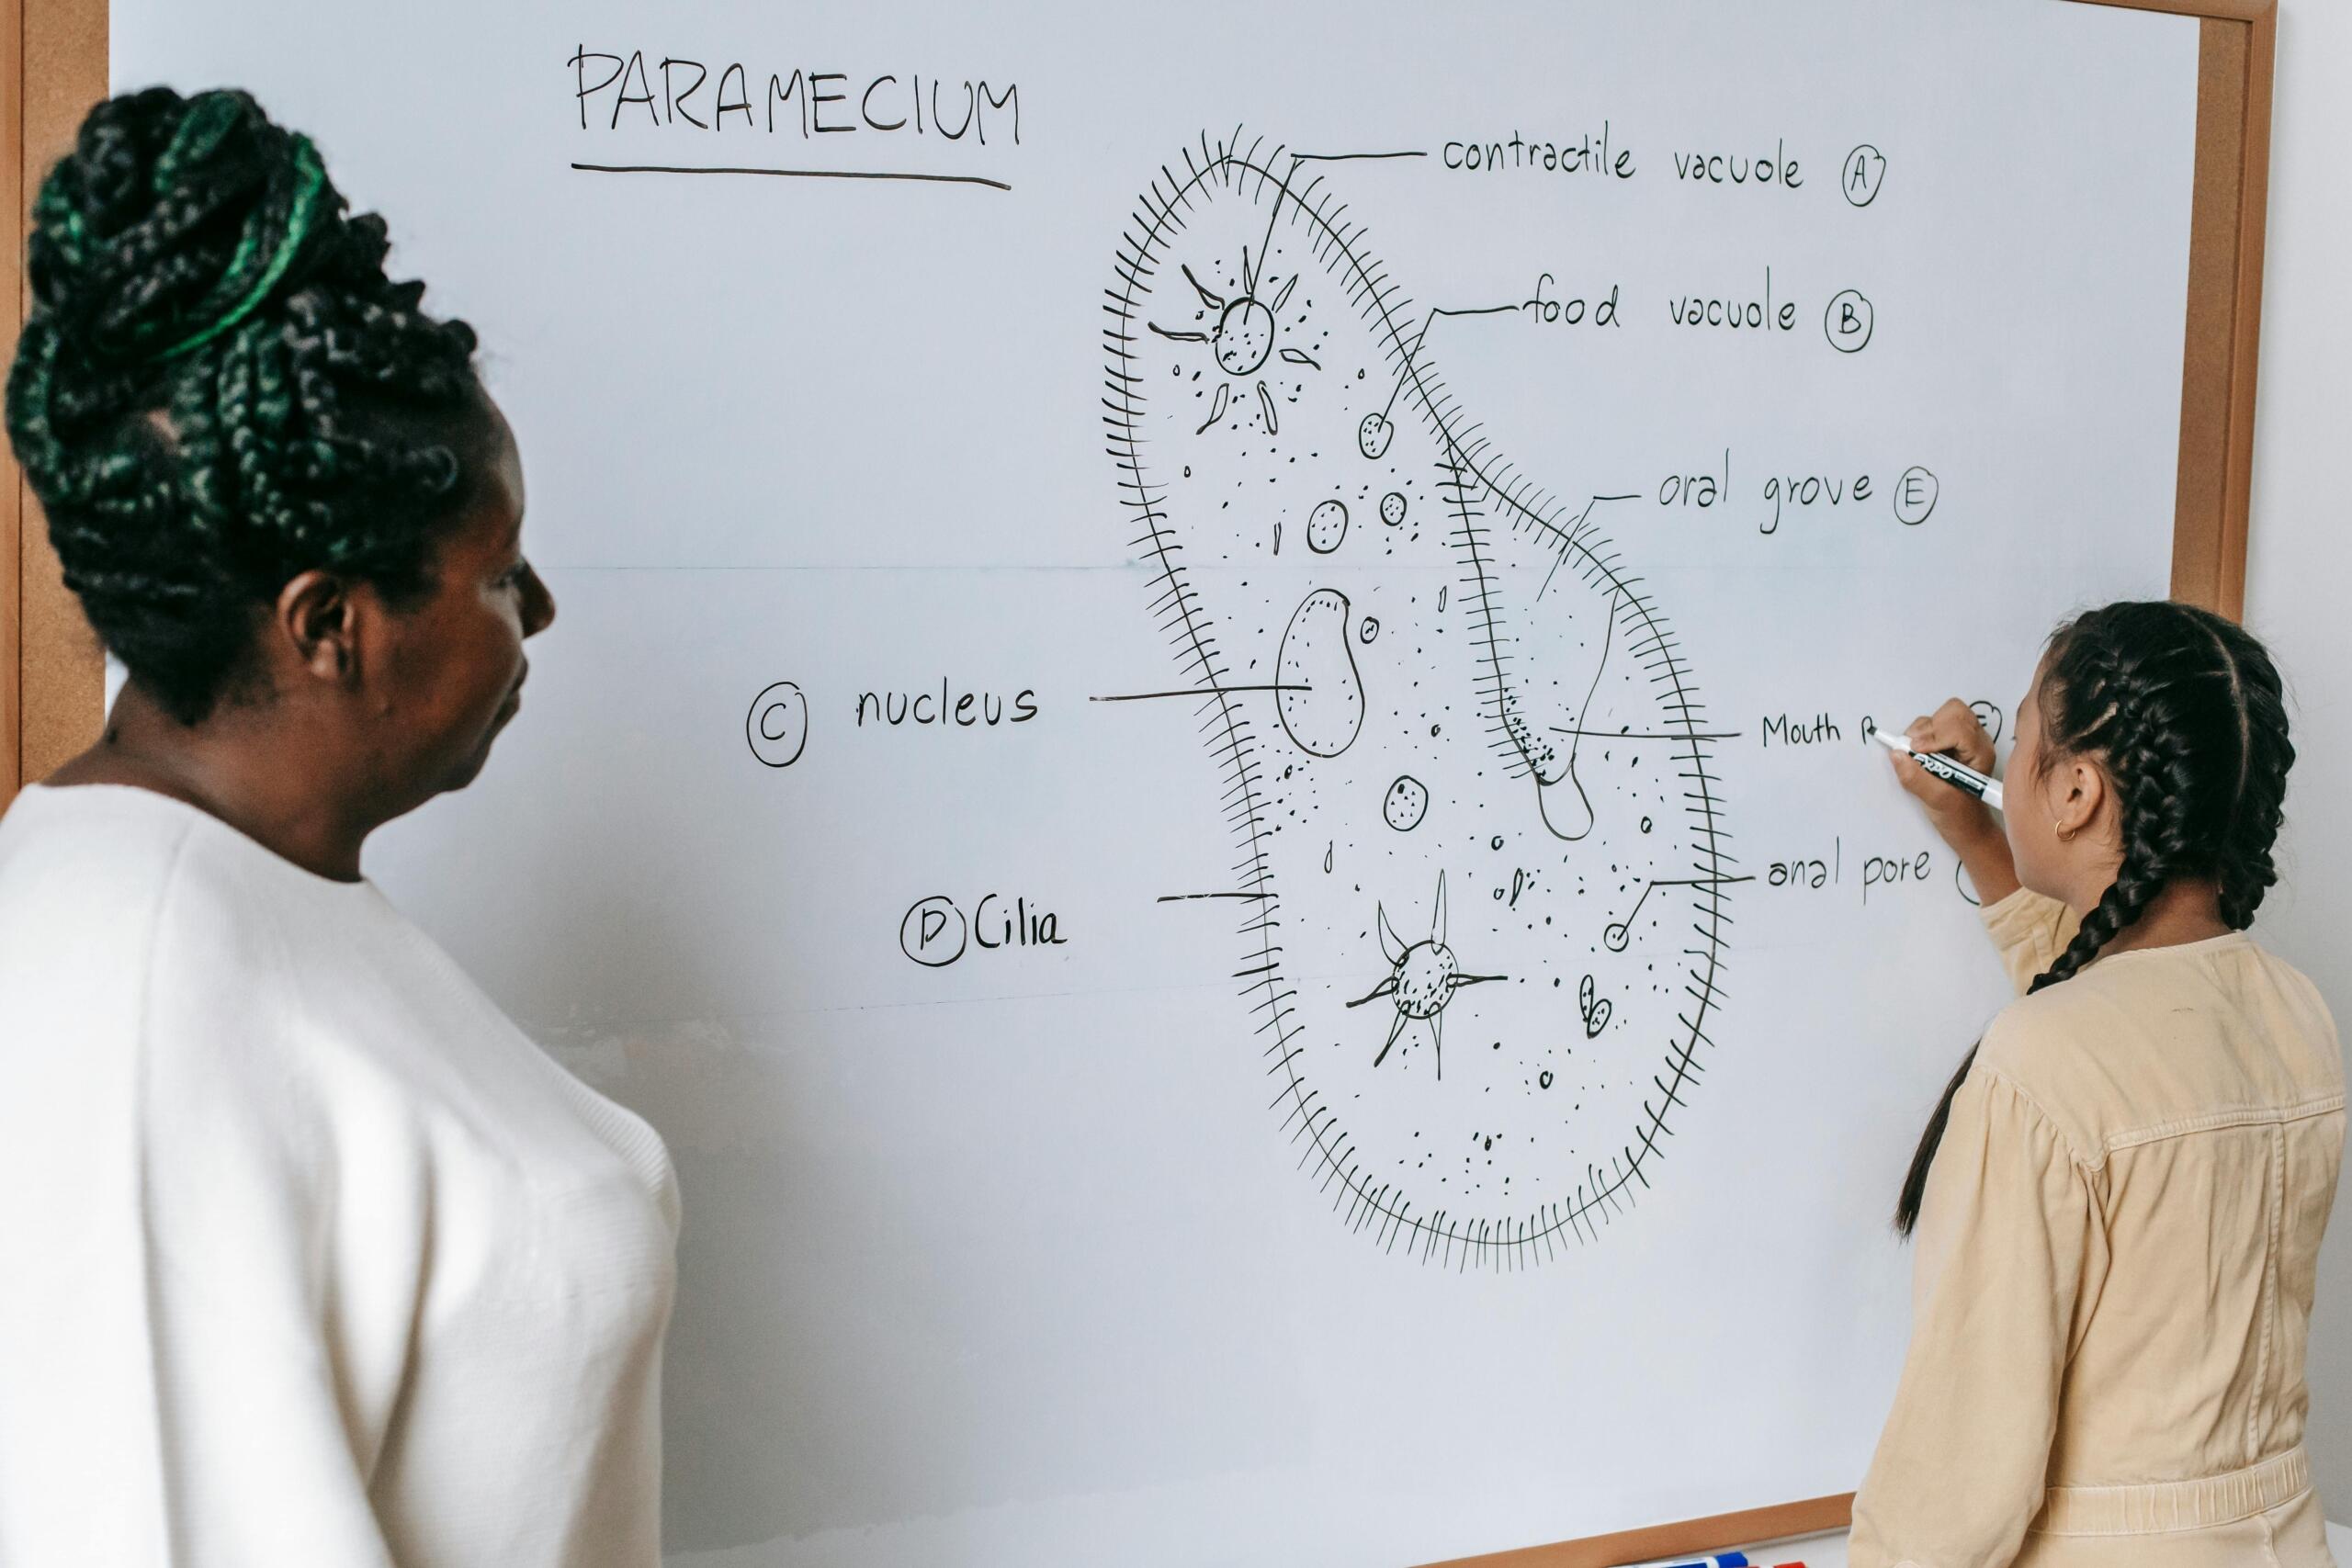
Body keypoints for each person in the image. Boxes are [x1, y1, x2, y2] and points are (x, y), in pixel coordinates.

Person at [0, 88, 676, 1567]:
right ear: (329, 624)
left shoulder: (265, 897)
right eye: (496, 570)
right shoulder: (130, 968)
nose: (539, 609)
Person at [1849, 601, 2339, 1565]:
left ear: (2075, 792)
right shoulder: (2295, 1013)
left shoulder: (2042, 1065)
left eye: (2024, 734)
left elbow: (1956, 1486)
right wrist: (1978, 834)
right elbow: (2122, 1023)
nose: (2004, 761)